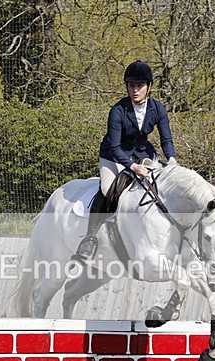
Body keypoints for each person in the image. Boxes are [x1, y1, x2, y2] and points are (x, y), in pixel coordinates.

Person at [74, 60, 178, 261]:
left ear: (149, 87)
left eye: (140, 85)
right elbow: (114, 147)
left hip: (141, 152)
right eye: (131, 85)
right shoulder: (117, 111)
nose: (135, 90)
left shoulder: (158, 108)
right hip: (114, 155)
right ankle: (90, 238)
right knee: (108, 189)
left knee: (157, 183)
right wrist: (132, 166)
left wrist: (171, 158)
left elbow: (166, 138)